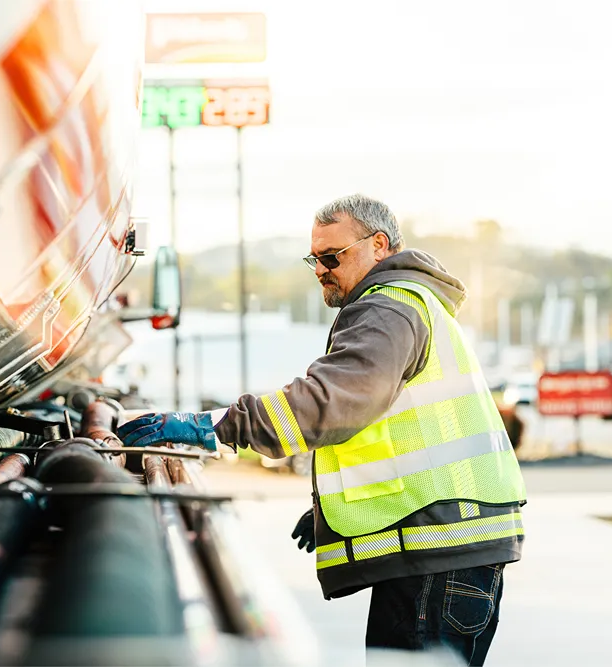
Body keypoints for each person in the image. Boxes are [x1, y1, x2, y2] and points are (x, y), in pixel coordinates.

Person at [117, 194, 526, 666]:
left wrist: (213, 425)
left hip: (440, 553)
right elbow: (396, 434)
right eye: (314, 258)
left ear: (378, 246)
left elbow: (330, 404)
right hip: (450, 545)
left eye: (332, 257)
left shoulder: (388, 309)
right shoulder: (410, 304)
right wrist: (330, 510)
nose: (320, 269)